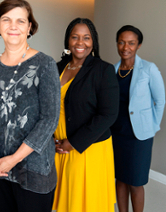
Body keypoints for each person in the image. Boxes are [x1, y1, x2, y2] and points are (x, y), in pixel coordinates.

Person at [0, 0, 60, 212]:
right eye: (6, 19)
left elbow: (50, 119)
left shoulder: (45, 64)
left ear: (30, 26)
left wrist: (14, 159)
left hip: (33, 168)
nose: (13, 26)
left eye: (21, 21)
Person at [52, 18, 119, 212]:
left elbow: (108, 114)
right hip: (58, 146)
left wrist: (73, 143)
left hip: (86, 147)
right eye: (75, 37)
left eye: (86, 37)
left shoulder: (102, 70)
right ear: (68, 41)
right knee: (65, 200)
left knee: (83, 203)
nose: (80, 43)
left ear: (93, 42)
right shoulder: (57, 67)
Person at [111, 25, 165, 212]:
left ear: (138, 45)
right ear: (117, 43)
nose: (126, 47)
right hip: (116, 134)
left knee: (135, 182)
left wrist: (152, 126)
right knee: (120, 179)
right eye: (122, 42)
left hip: (138, 137)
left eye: (131, 43)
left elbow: (160, 100)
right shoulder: (112, 70)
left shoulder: (148, 69)